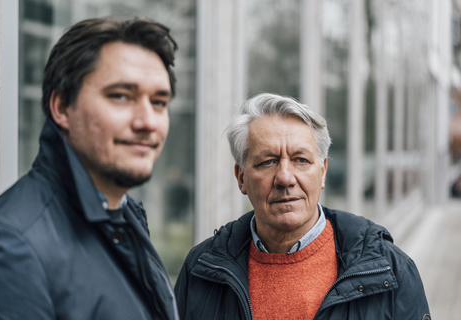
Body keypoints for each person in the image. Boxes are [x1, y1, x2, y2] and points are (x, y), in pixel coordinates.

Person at [0, 17, 179, 319]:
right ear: (61, 107)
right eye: (121, 96)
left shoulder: (125, 216)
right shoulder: (13, 246)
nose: (148, 121)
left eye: (159, 102)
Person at [174, 93, 431, 320]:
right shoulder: (200, 272)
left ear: (323, 172)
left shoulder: (391, 270)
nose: (285, 178)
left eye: (300, 160)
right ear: (241, 177)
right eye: (268, 161)